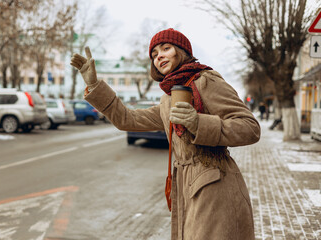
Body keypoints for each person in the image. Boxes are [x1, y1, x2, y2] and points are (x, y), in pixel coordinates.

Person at [71, 28, 260, 240]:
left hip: (215, 185)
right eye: (154, 54)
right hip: (186, 187)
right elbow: (127, 119)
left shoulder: (207, 81)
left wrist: (198, 123)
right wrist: (94, 85)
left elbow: (249, 127)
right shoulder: (167, 99)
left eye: (166, 48)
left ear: (181, 51)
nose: (158, 56)